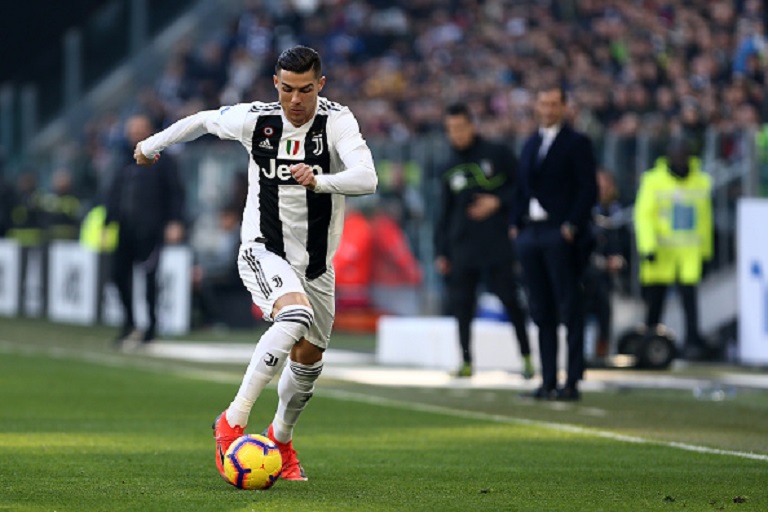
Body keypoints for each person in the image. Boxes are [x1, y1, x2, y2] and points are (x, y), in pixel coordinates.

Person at [132, 46, 377, 482]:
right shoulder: (257, 119)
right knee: (295, 314)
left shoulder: (337, 121)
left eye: (305, 90)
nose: (296, 100)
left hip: (318, 263)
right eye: (287, 90)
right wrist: (152, 145)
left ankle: (281, 441)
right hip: (264, 249)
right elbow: (203, 120)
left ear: (320, 86)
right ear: (275, 85)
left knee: (309, 363)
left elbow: (367, 177)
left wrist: (320, 180)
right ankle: (232, 421)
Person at [511, 84, 597, 401]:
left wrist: (571, 225)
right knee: (541, 308)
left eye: (554, 103)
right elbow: (520, 187)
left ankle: (571, 380)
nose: (548, 109)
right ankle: (548, 379)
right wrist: (514, 223)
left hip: (558, 232)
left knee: (569, 305)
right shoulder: (531, 142)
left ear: (564, 106)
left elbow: (588, 189)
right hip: (531, 232)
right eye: (543, 103)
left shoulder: (577, 143)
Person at [434, 103, 533, 379]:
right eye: (450, 129)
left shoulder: (497, 153)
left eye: (460, 127)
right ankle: (466, 361)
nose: (456, 133)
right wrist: (441, 250)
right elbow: (444, 212)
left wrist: (497, 202)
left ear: (472, 125)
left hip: (496, 243)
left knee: (510, 300)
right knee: (462, 304)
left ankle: (526, 357)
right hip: (462, 246)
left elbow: (521, 188)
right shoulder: (447, 166)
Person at [106, 114, 186, 345]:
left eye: (139, 128)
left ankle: (150, 326)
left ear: (150, 131)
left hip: (150, 229)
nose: (134, 133)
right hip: (124, 228)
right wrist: (108, 221)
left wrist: (175, 221)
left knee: (150, 278)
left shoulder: (165, 160)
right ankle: (129, 322)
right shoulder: (122, 160)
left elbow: (176, 193)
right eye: (131, 129)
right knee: (118, 276)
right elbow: (113, 193)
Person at [633, 139, 713, 361]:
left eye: (684, 154)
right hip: (661, 252)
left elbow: (705, 221)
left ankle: (692, 341)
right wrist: (647, 246)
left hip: (688, 253)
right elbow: (644, 216)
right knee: (655, 301)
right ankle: (649, 341)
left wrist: (706, 253)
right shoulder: (653, 180)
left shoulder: (701, 181)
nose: (680, 159)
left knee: (690, 301)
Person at [582, 169, 628, 363]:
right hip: (585, 272)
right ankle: (579, 351)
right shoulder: (584, 209)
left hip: (605, 277)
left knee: (604, 310)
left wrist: (618, 259)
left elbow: (623, 244)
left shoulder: (618, 212)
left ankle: (602, 350)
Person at [191, 203, 243, 327]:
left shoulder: (240, 236)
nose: (222, 221)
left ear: (234, 218)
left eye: (225, 218)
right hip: (222, 272)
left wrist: (206, 271)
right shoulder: (225, 235)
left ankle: (214, 319)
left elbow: (230, 264)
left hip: (234, 276)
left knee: (204, 282)